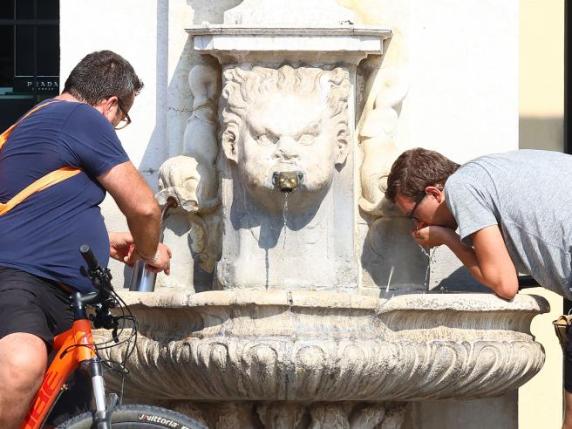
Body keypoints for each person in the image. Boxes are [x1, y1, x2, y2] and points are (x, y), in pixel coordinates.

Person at [0, 50, 171, 428]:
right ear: (110, 105)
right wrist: (148, 250)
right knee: (21, 362)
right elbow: (144, 208)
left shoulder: (39, 118)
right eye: (122, 118)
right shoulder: (81, 117)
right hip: (22, 281)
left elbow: (36, 210)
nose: (117, 126)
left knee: (71, 416)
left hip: (59, 295)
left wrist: (101, 240)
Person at [384, 147, 572, 429]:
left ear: (435, 193)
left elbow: (504, 283)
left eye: (413, 214)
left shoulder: (462, 187)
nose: (419, 224)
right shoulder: (489, 171)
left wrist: (446, 236)